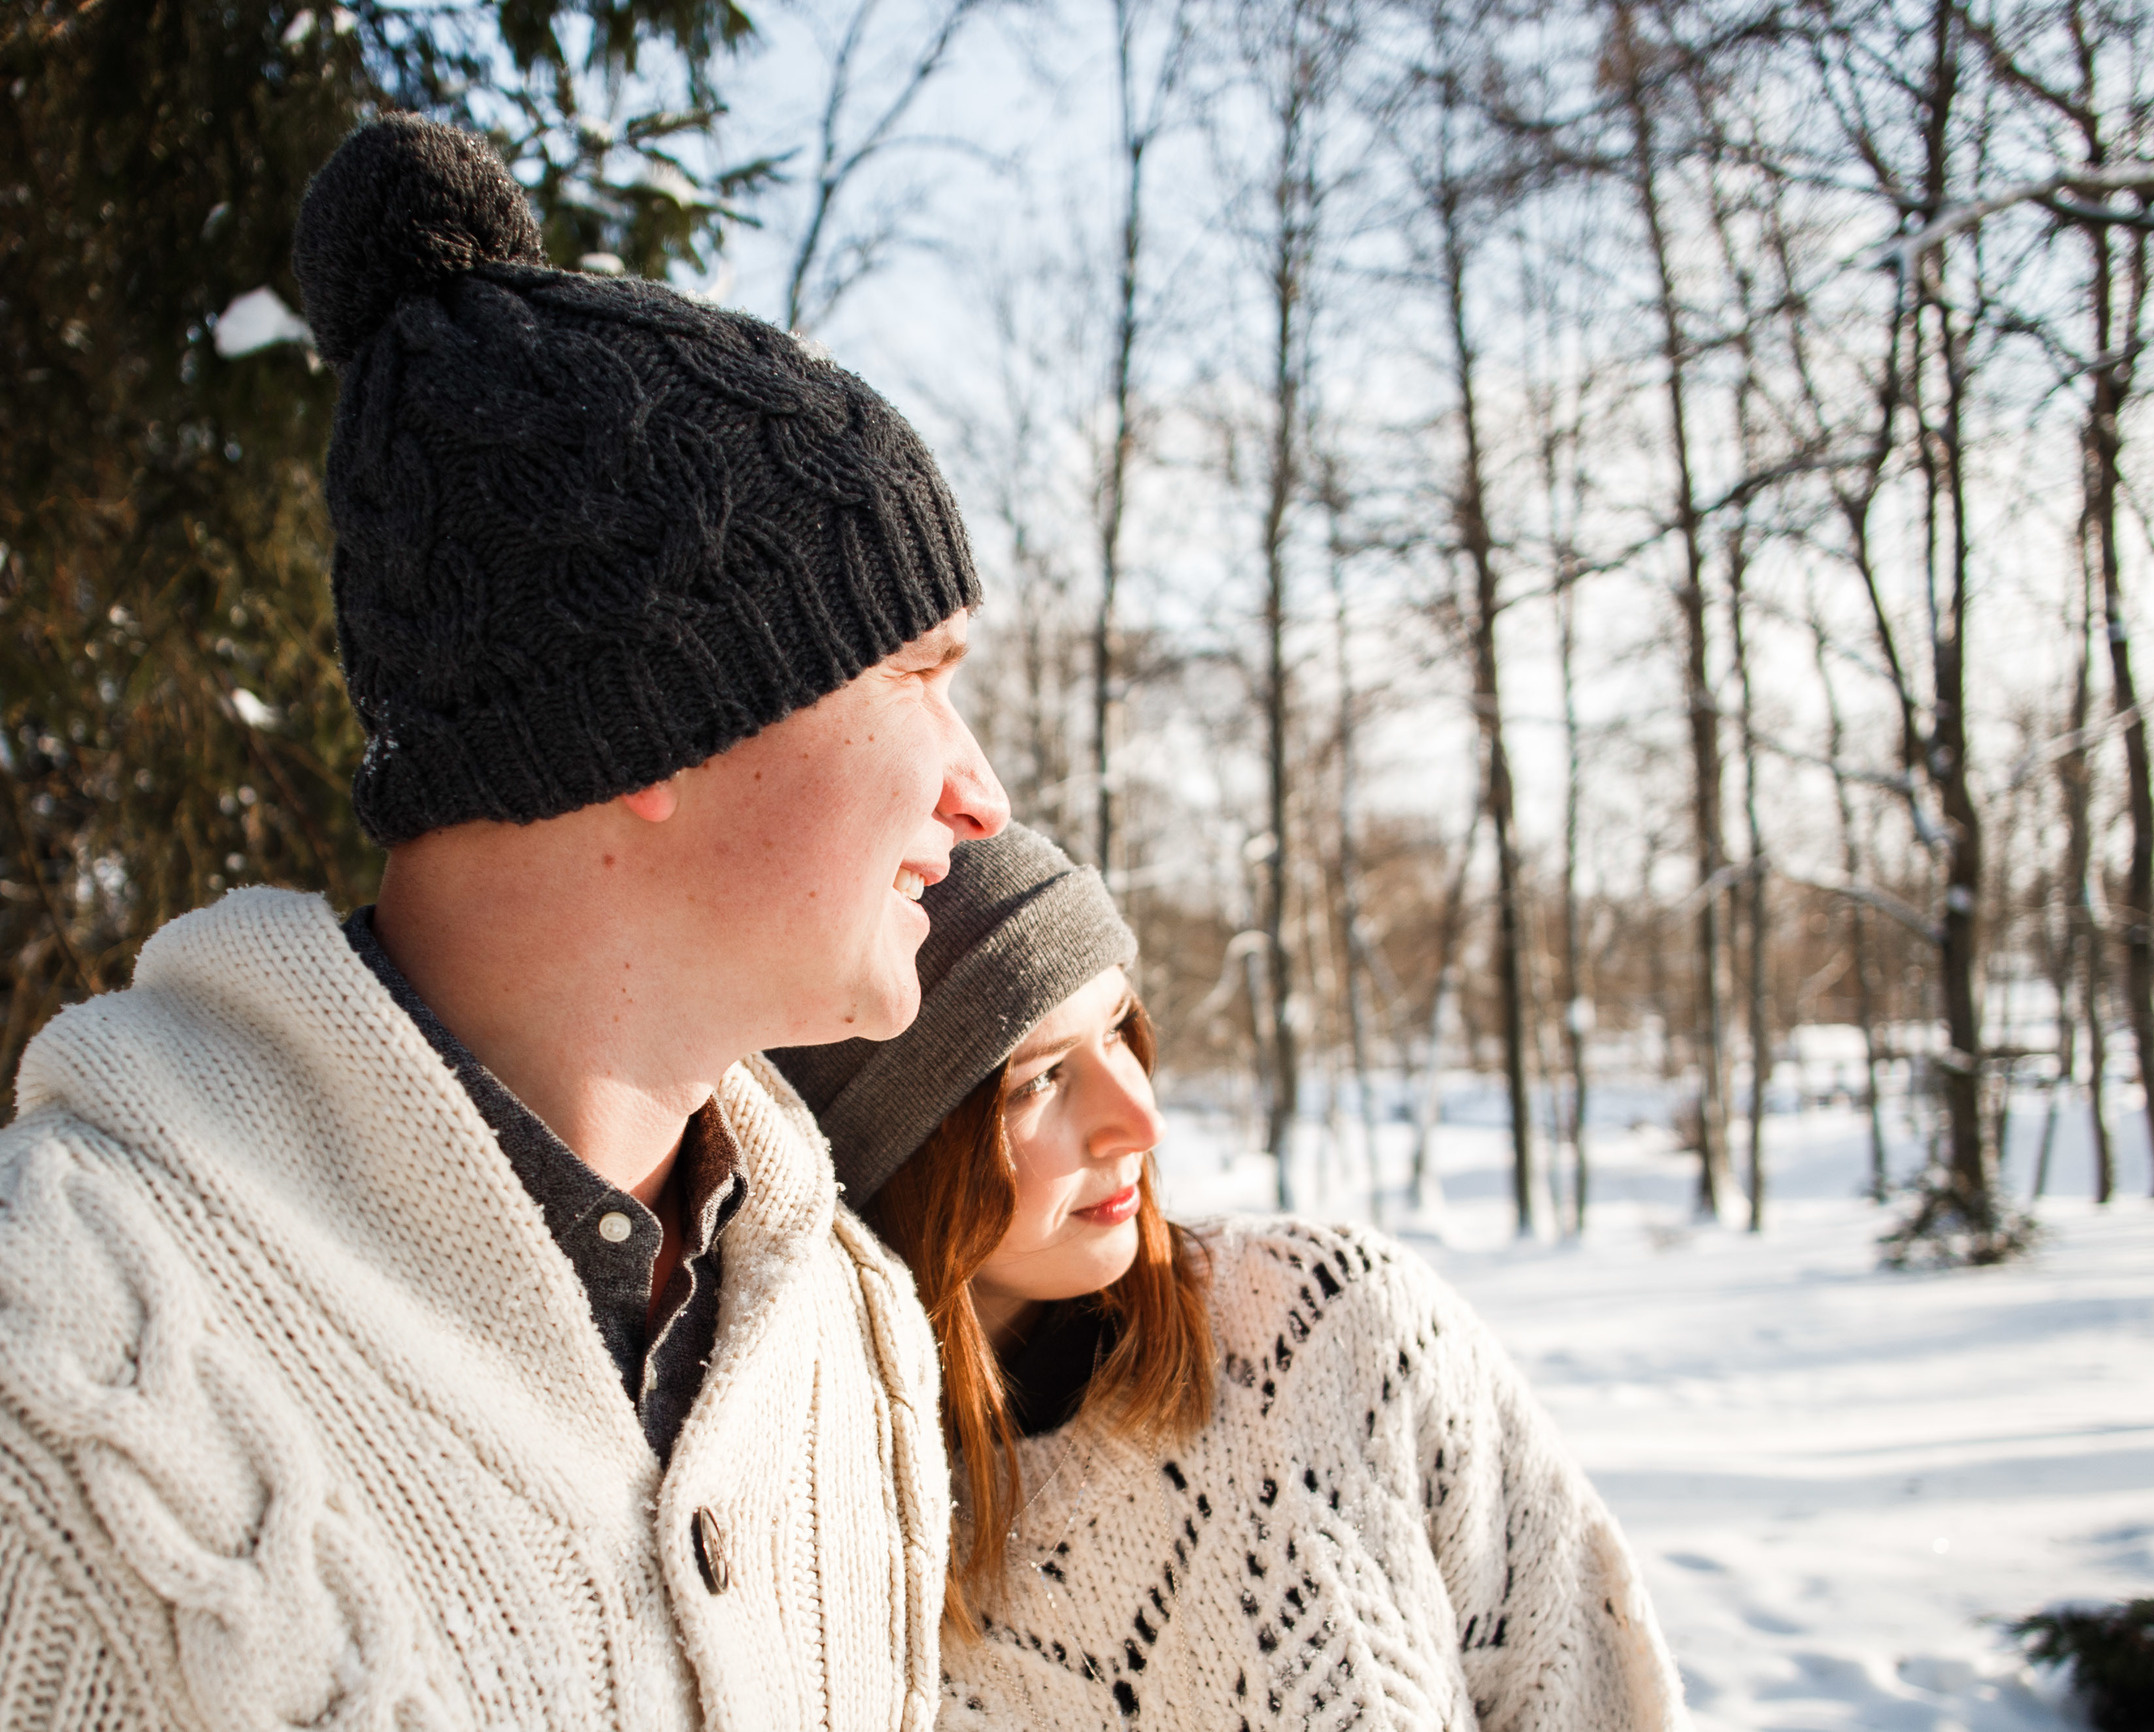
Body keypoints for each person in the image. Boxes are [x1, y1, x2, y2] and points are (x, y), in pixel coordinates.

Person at [0, 117, 1005, 1729]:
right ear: (665, 715)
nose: (981, 799)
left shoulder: (843, 1328)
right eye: (921, 677)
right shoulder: (58, 1376)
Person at [770, 827, 1686, 1730]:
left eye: (1121, 1030)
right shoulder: (814, 1553)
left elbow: (1591, 1691)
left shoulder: (1336, 1330)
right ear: (893, 1154)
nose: (1140, 1118)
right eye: (1041, 1080)